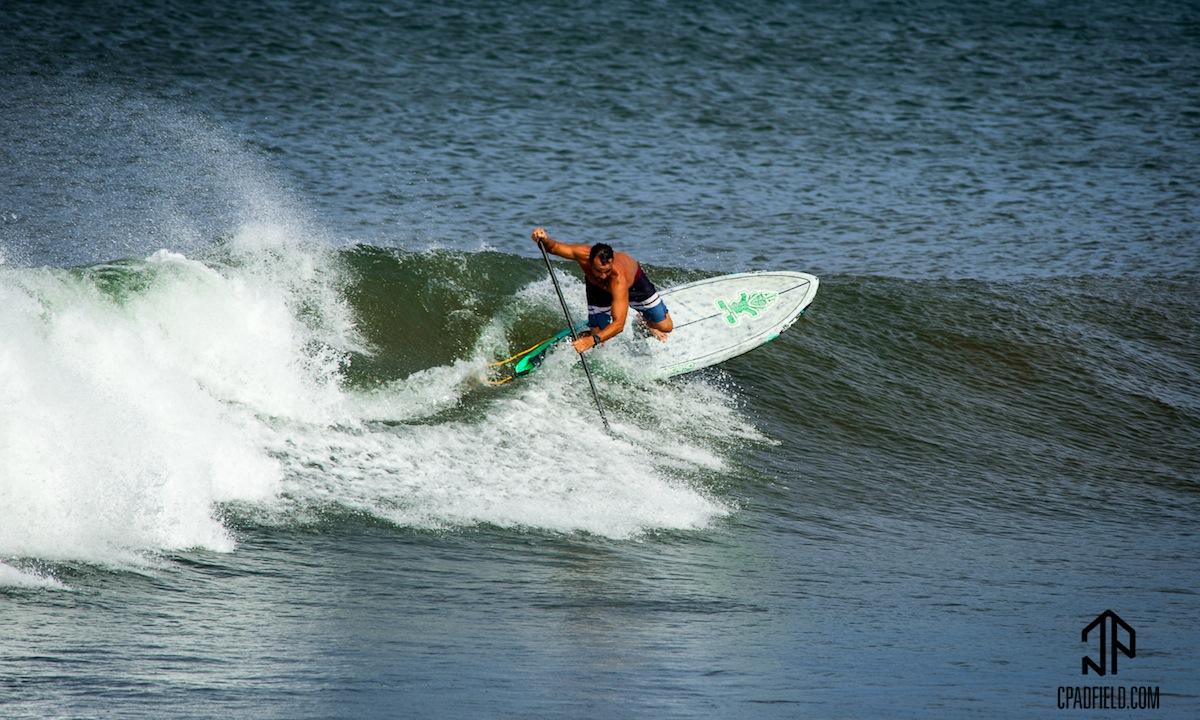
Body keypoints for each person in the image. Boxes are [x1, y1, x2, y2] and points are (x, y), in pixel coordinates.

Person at [532, 227, 672, 353]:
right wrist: (543, 239)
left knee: (666, 327)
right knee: (600, 339)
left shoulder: (618, 280)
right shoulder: (582, 254)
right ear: (590, 261)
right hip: (597, 289)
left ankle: (644, 321)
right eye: (599, 271)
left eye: (607, 271)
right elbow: (553, 247)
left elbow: (619, 325)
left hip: (636, 285)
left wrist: (592, 340)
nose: (604, 276)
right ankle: (582, 338)